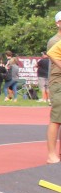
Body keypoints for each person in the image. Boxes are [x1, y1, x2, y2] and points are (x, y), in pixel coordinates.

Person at [44, 11, 61, 163]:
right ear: (58, 23)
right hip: (58, 82)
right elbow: (56, 59)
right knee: (57, 118)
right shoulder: (54, 41)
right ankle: (51, 155)